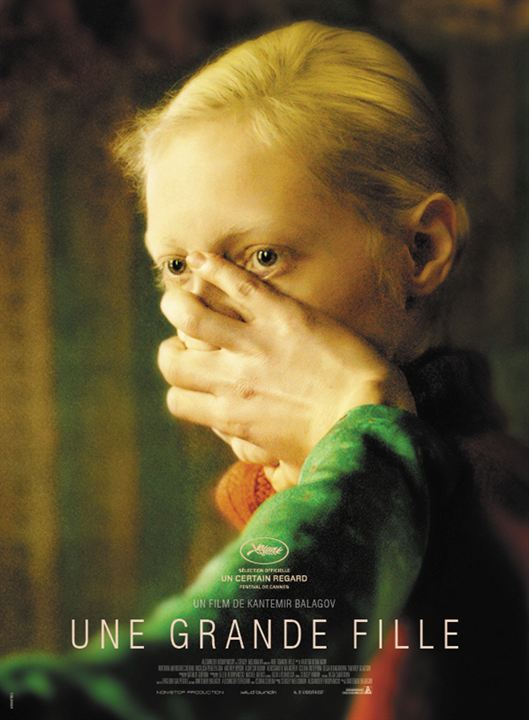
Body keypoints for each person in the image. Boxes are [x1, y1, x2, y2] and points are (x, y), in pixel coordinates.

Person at [1, 19, 528, 720]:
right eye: (177, 266)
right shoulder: (270, 501)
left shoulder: (480, 521)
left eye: (262, 258)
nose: (197, 315)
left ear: (420, 249)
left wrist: (357, 440)